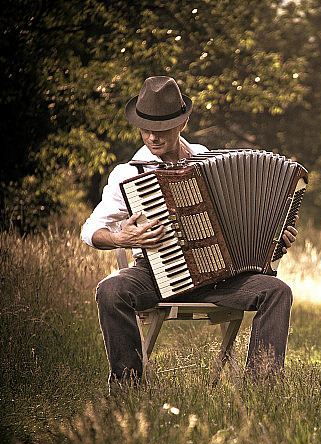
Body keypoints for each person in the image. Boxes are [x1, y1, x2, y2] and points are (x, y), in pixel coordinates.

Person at [81, 76, 297, 389]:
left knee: (277, 291)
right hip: (155, 275)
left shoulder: (209, 161)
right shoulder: (129, 173)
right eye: (146, 130)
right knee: (110, 290)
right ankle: (127, 387)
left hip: (219, 277)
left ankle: (261, 391)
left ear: (183, 123)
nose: (152, 138)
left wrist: (276, 238)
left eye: (162, 130)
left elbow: (243, 220)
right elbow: (91, 230)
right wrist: (121, 239)